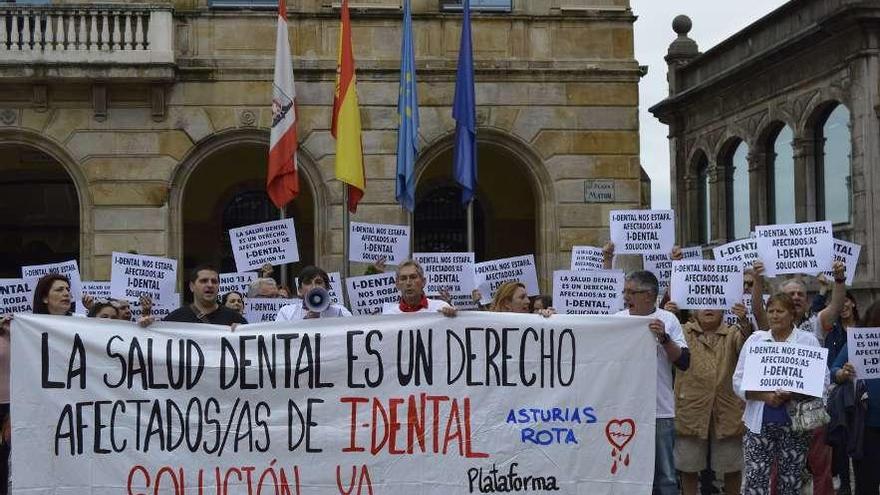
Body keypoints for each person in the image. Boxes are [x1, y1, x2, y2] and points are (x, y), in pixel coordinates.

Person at [751, 260, 846, 495]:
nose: (796, 297)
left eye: (800, 293)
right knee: (778, 471)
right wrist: (757, 280)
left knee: (819, 467)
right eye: (790, 293)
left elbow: (835, 306)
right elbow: (757, 311)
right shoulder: (770, 326)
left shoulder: (815, 324)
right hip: (779, 409)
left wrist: (839, 280)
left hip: (811, 411)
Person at [733, 293, 830, 495]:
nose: (774, 316)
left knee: (790, 482)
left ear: (792, 314)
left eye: (780, 311)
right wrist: (764, 396)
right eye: (771, 311)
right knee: (755, 482)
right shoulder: (755, 341)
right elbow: (738, 380)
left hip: (795, 425)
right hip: (758, 424)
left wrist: (794, 394)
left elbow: (823, 382)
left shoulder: (808, 341)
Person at [615, 270, 689, 495]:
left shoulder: (668, 320)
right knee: (628, 474)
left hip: (660, 412)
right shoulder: (616, 320)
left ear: (648, 295)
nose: (625, 297)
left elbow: (684, 362)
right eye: (625, 291)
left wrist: (664, 339)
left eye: (631, 292)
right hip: (624, 412)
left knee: (665, 477)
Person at [672, 306, 750, 495]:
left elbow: (748, 348)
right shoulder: (682, 331)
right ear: (693, 311)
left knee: (731, 467)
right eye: (701, 304)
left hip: (727, 411)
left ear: (723, 310)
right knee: (688, 466)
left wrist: (745, 323)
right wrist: (669, 314)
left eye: (714, 303)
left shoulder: (734, 332)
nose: (708, 307)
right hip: (690, 408)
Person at [830, 299, 880, 495]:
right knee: (867, 484)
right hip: (866, 426)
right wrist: (843, 373)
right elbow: (834, 369)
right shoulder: (860, 341)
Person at [144, 265, 246, 326]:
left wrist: (242, 333)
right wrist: (146, 328)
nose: (210, 285)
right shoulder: (175, 319)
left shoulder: (235, 319)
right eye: (204, 281)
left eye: (214, 281)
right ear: (192, 286)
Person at [382, 260, 456, 316]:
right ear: (397, 285)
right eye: (403, 278)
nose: (408, 283)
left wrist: (452, 317)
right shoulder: (389, 316)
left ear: (423, 282)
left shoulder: (440, 308)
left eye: (413, 277)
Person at [275, 266, 352, 320]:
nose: (314, 287)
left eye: (318, 282)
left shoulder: (340, 312)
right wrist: (305, 323)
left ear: (327, 288)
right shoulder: (286, 313)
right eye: (308, 282)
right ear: (300, 290)